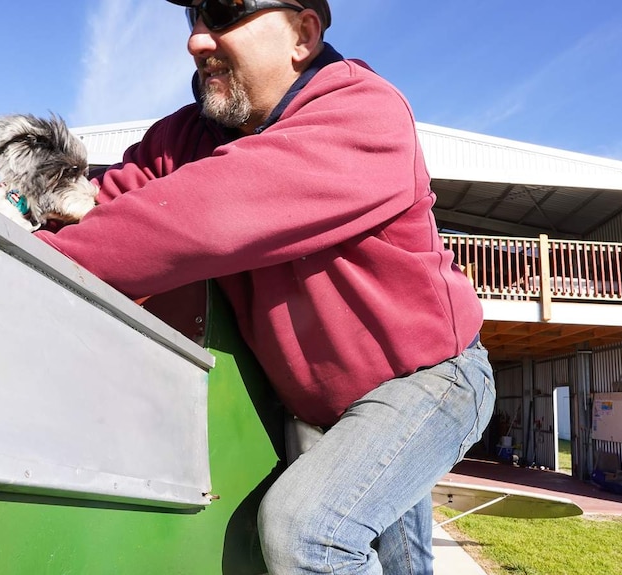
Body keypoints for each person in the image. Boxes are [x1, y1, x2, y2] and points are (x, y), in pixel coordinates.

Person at [35, 0, 495, 572]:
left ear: (302, 34)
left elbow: (198, 219)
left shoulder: (364, 114)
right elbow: (107, 201)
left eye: (224, 12)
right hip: (329, 407)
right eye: (193, 19)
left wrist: (30, 262)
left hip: (429, 383)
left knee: (308, 533)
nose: (197, 41)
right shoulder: (186, 135)